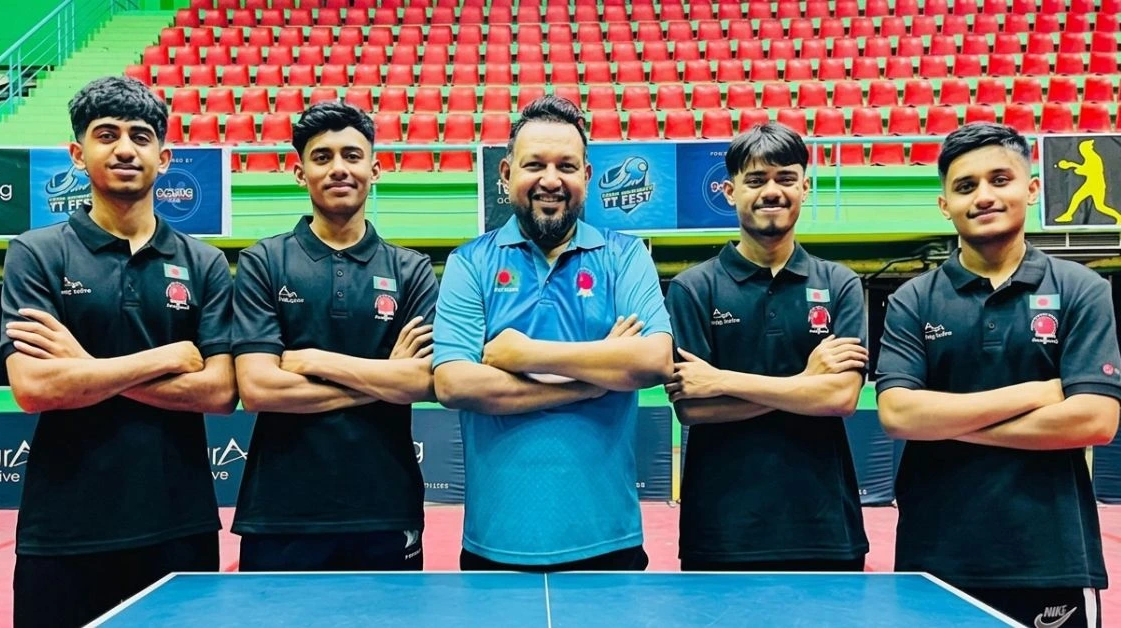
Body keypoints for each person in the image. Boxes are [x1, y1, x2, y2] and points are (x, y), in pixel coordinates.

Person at [0, 76, 236, 628]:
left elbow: (221, 392)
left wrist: (84, 369)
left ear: (164, 157)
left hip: (179, 526)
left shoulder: (203, 263)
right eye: (106, 135)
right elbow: (33, 388)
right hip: (62, 530)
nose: (125, 148)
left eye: (140, 136)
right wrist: (167, 356)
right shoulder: (36, 254)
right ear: (77, 154)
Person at [876, 122, 1120, 628]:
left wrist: (944, 423)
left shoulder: (1082, 289)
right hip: (934, 556)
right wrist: (1036, 392)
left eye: (1000, 179)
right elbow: (898, 414)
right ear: (944, 204)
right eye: (966, 186)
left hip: (1050, 557)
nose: (983, 196)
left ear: (1032, 189)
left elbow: (1094, 421)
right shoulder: (911, 299)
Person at [432, 95, 673, 571]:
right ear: (506, 174)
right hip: (494, 542)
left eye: (566, 166)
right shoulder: (469, 262)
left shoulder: (625, 256)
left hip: (608, 541)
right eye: (534, 165)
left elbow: (653, 361)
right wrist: (594, 377)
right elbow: (454, 383)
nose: (550, 180)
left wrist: (524, 354)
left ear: (587, 175)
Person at [230, 102, 437, 571]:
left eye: (352, 155)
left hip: (386, 507)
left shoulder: (411, 269)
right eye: (322, 157)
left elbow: (424, 382)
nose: (338, 168)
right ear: (299, 173)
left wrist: (313, 360)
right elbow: (259, 388)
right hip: (280, 512)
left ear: (374, 170)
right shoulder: (264, 262)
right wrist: (383, 377)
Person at [664, 123, 870, 572]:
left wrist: (723, 381)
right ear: (729, 191)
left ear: (805, 188)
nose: (772, 192)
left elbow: (840, 398)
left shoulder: (840, 284)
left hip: (825, 529)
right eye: (756, 180)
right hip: (721, 531)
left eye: (786, 178)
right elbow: (694, 408)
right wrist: (805, 384)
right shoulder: (692, 289)